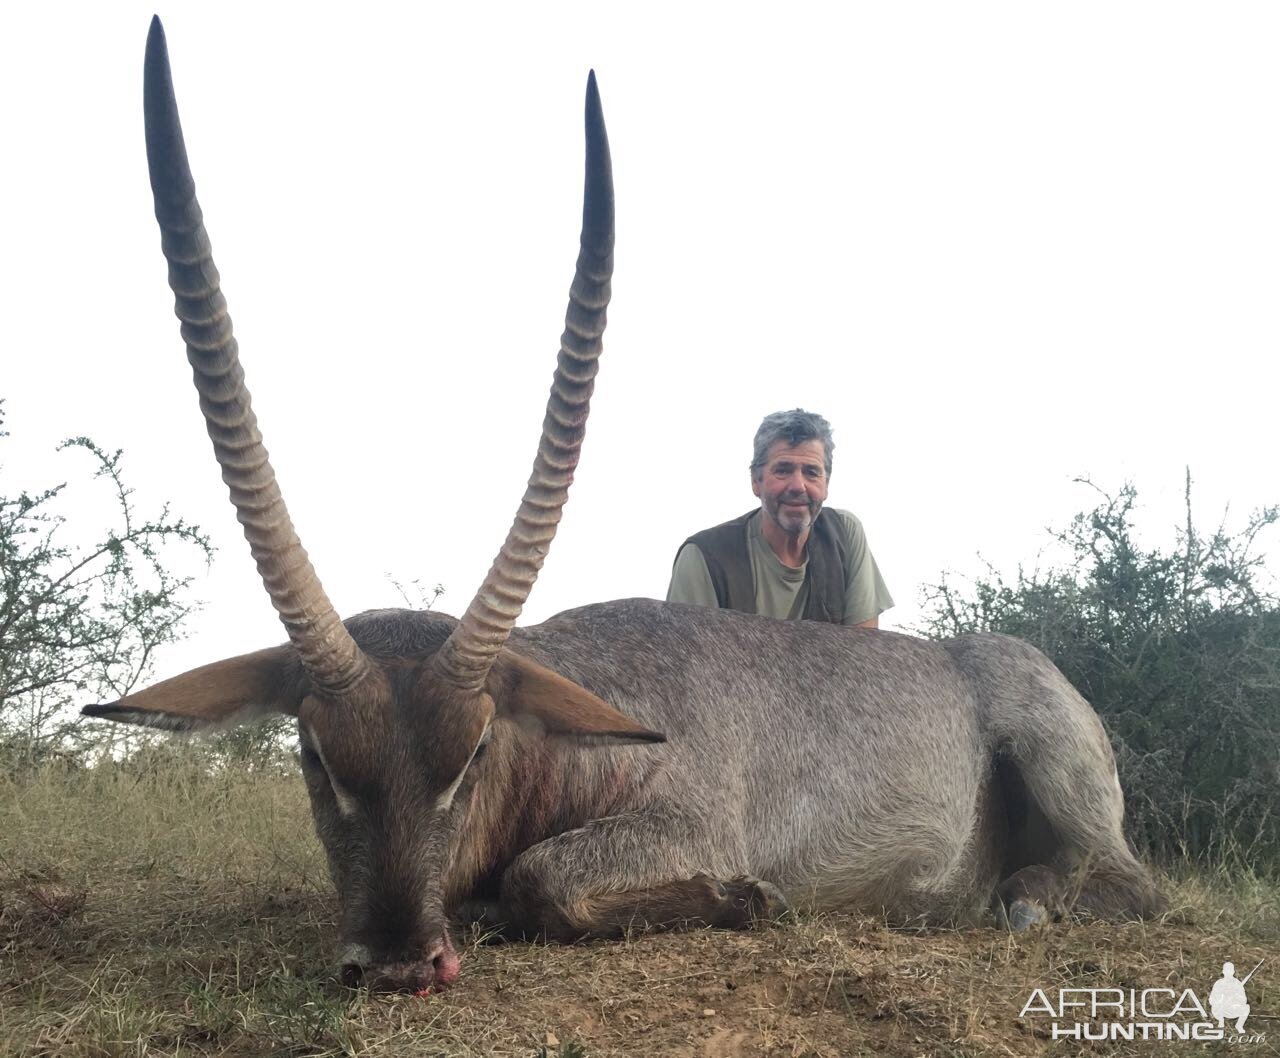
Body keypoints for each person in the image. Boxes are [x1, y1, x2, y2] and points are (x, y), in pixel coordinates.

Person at [667, 409, 892, 627]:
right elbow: (690, 660)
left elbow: (864, 651)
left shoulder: (845, 532)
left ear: (826, 485)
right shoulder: (704, 556)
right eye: (783, 470)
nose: (798, 486)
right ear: (756, 481)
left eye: (811, 472)